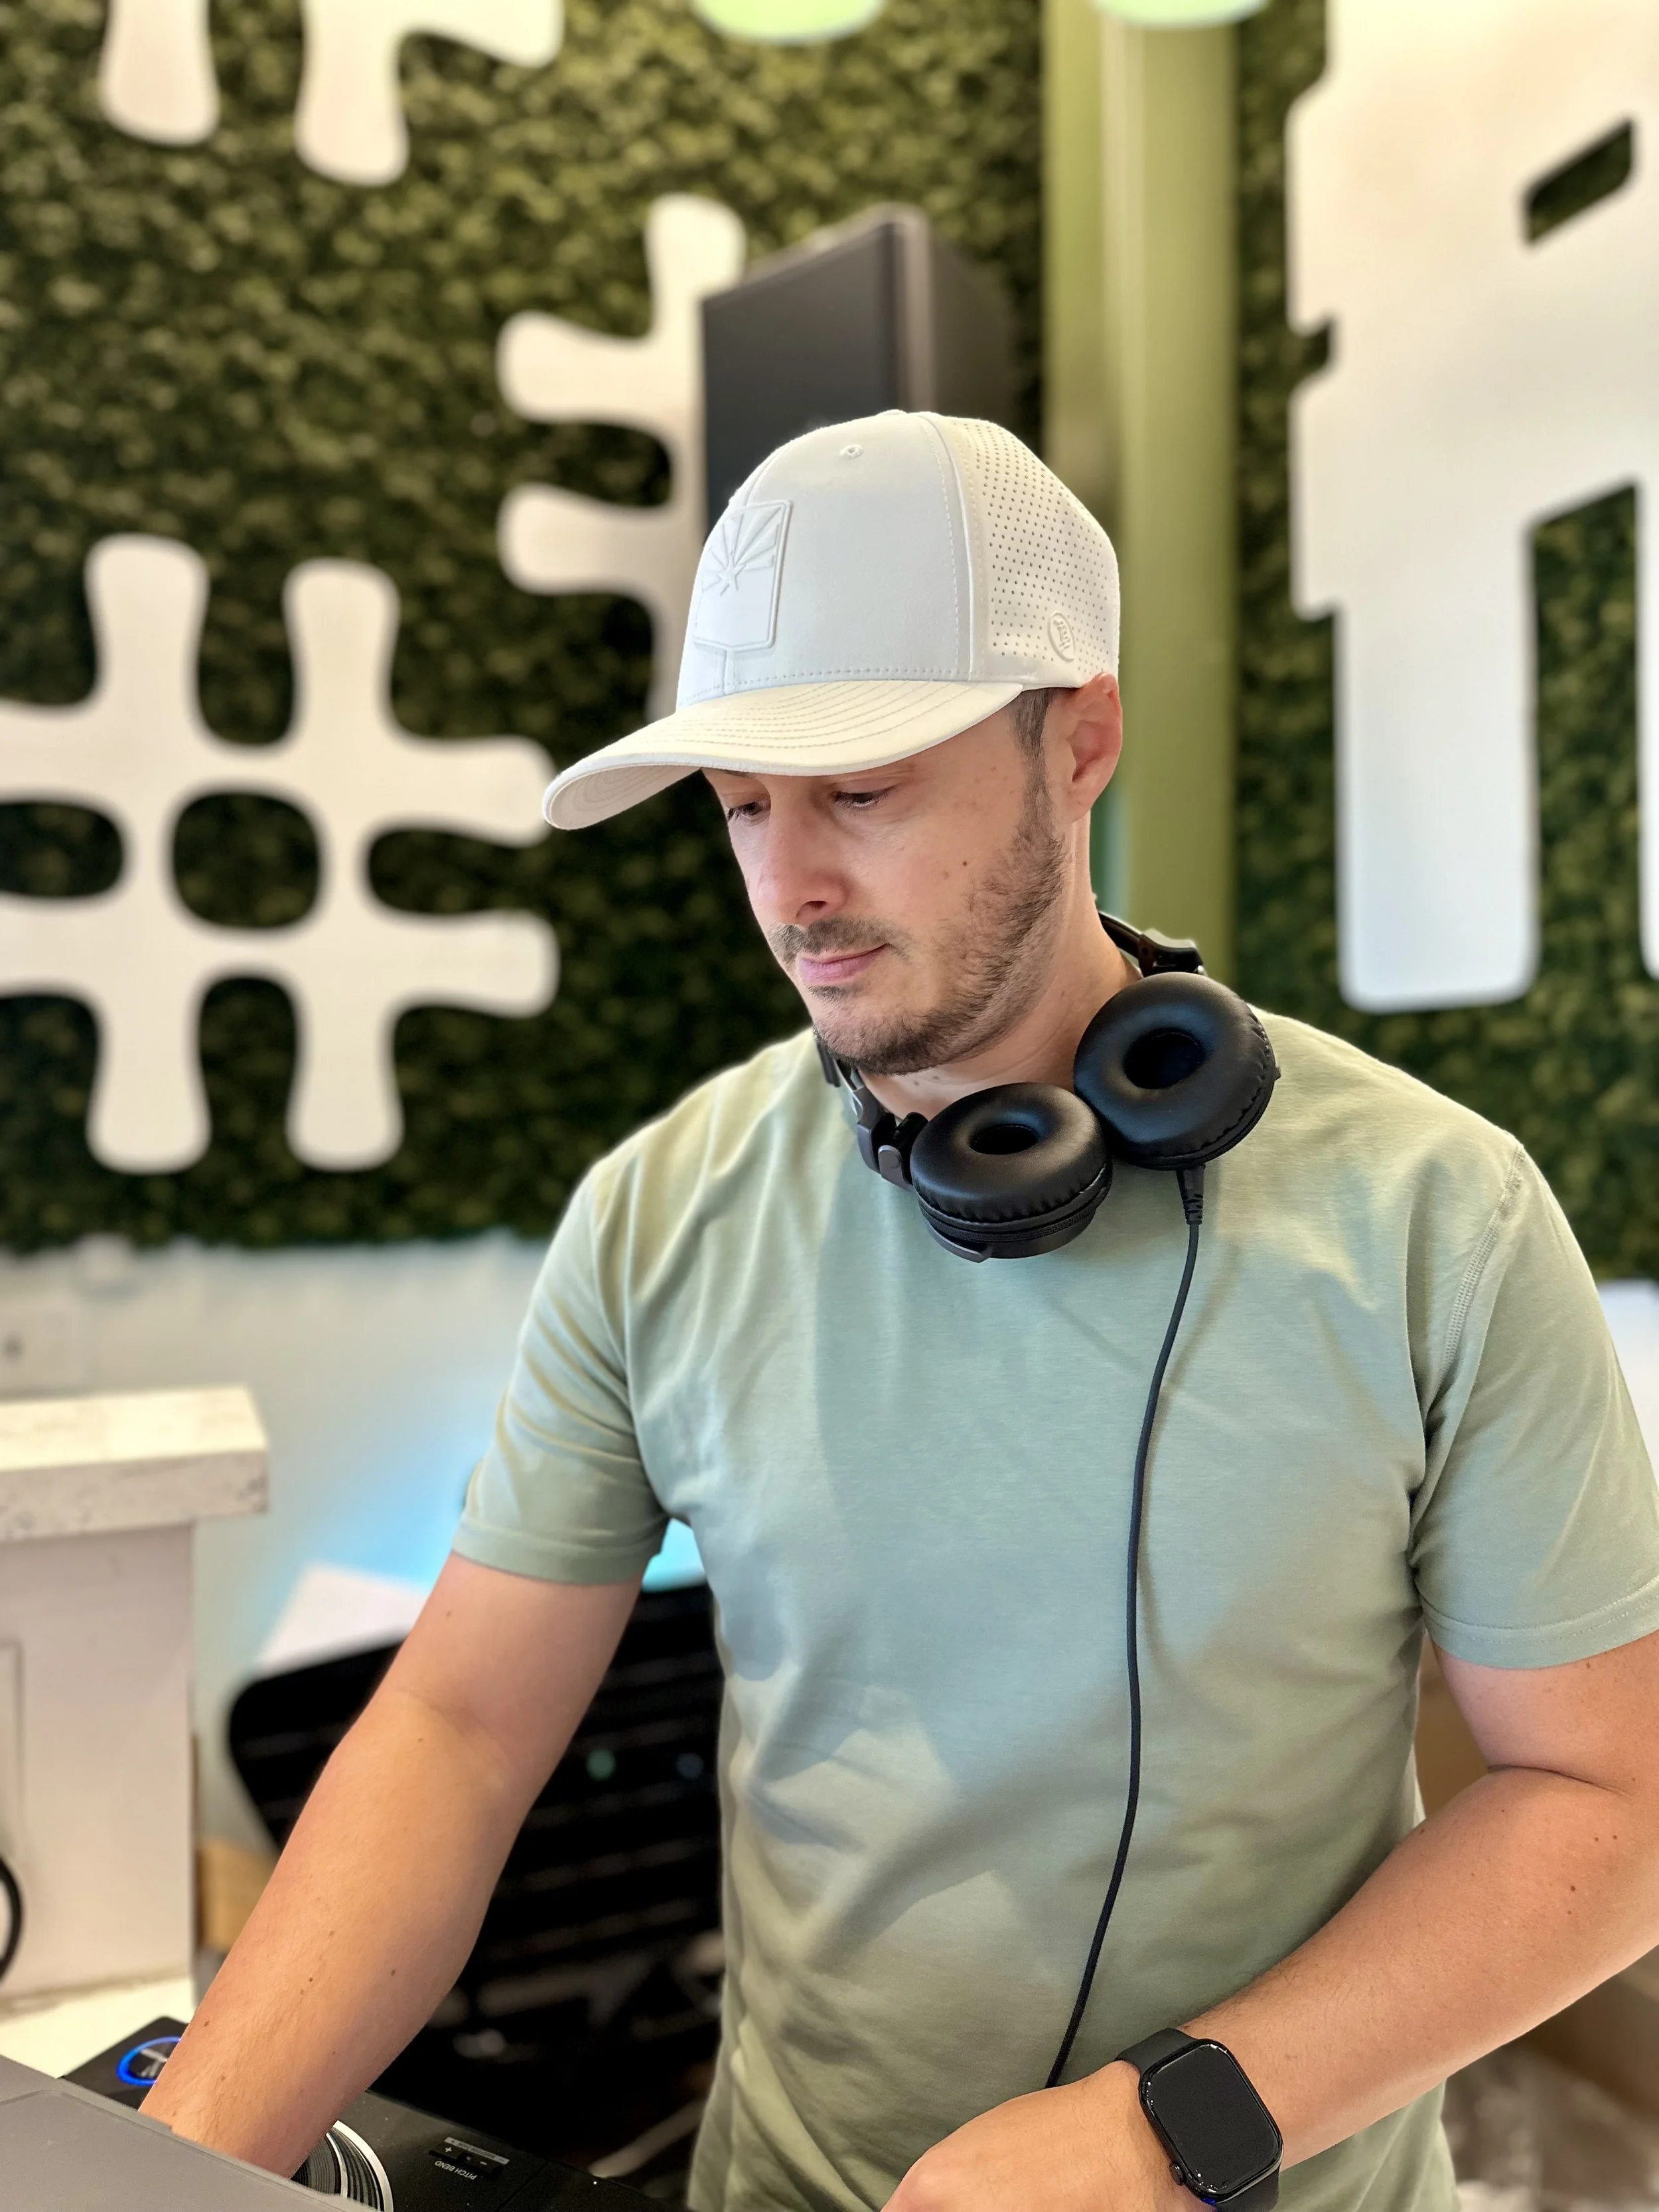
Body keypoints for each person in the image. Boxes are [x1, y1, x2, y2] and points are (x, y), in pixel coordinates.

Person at [145, 411, 1659, 2212]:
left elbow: (1608, 1799)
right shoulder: (655, 1217)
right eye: (742, 807)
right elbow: (459, 1732)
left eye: (859, 791)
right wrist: (164, 2171)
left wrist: (1166, 2128)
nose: (791, 887)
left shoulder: (1435, 1220)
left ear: (1076, 734)